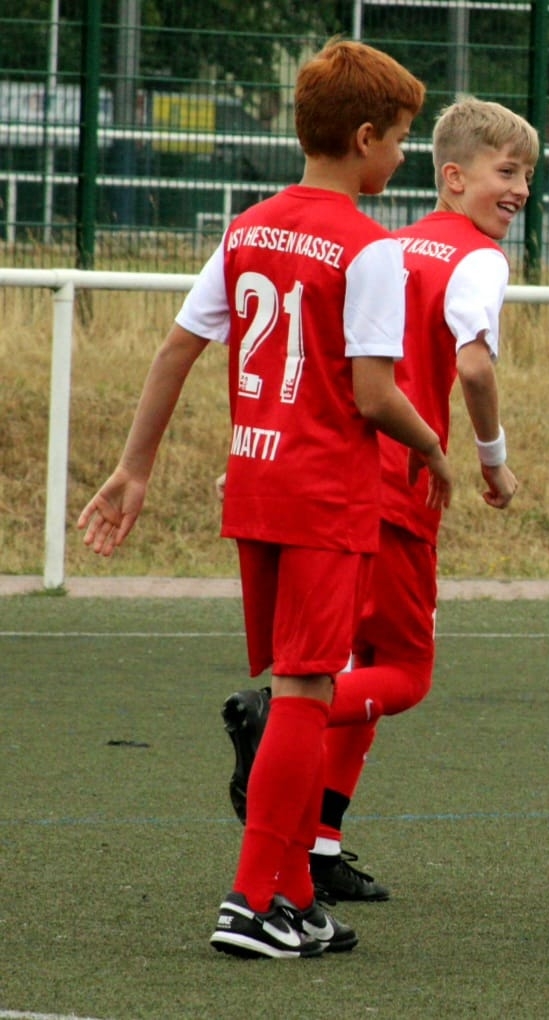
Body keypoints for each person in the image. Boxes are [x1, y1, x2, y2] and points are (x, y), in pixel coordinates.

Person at [77, 39, 450, 959]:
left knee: (296, 686)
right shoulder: (370, 247)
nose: (404, 154)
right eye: (402, 137)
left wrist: (134, 467)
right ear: (365, 138)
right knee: (305, 693)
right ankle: (251, 902)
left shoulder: (249, 227)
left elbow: (177, 347)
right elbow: (373, 394)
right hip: (325, 492)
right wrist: (432, 447)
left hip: (255, 480)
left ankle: (294, 897)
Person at [221, 97, 536, 903]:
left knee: (358, 660)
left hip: (338, 475)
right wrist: (492, 461)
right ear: (453, 177)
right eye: (507, 171)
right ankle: (278, 717)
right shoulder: (478, 259)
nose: (521, 189)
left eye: (529, 176)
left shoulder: (391, 244)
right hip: (397, 486)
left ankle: (318, 844)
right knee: (404, 674)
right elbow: (474, 366)